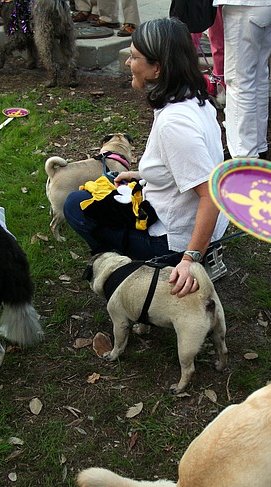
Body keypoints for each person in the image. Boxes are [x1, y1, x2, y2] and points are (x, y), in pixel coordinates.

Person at [63, 17, 229, 297]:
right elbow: (192, 167)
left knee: (75, 205)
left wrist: (190, 259)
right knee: (108, 184)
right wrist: (141, 176)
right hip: (185, 220)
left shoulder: (174, 124)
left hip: (176, 240)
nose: (128, 62)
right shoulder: (193, 98)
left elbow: (210, 195)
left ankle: (137, 269)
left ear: (157, 68)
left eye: (134, 56)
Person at [214, 0, 271, 159]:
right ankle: (258, 146)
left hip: (246, 6)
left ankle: (244, 155)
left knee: (239, 81)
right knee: (258, 75)